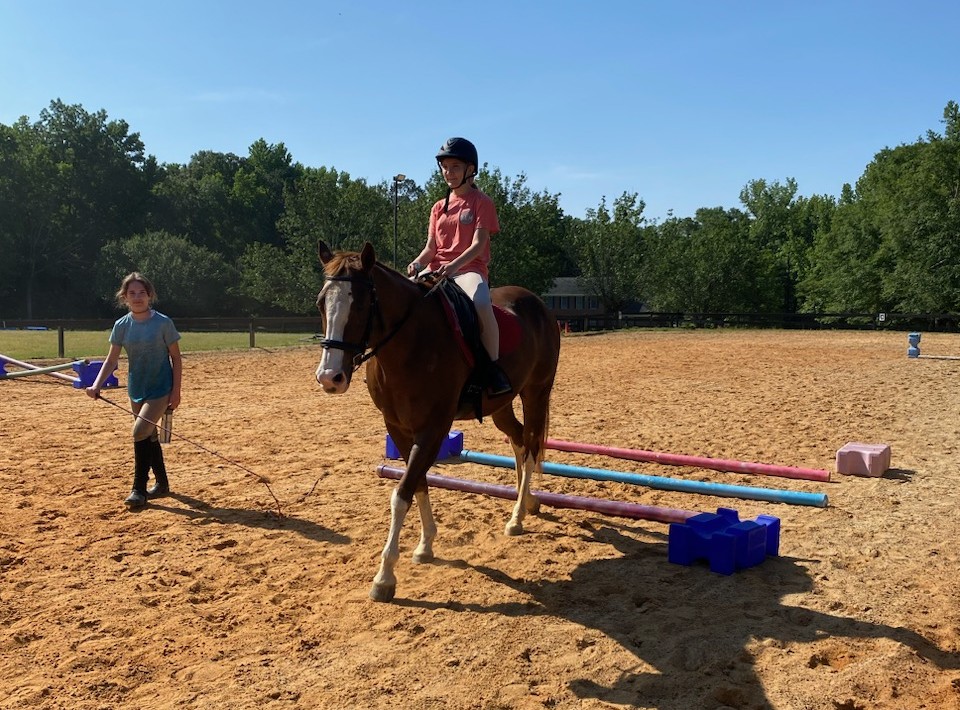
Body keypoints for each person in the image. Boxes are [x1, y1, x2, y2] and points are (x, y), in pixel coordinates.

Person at [407, 137, 512, 396]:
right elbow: (431, 247)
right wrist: (418, 262)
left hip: (468, 270)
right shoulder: (437, 207)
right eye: (444, 167)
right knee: (400, 301)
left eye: (454, 167)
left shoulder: (482, 202)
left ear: (470, 170)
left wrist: (453, 266)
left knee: (482, 304)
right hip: (436, 269)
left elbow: (478, 245)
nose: (448, 173)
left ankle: (493, 369)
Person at [86, 272, 182, 508]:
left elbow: (176, 359)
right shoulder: (121, 325)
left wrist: (176, 391)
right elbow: (111, 360)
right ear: (125, 297)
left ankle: (139, 489)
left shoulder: (163, 323)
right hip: (136, 388)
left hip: (161, 388)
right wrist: (97, 384)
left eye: (142, 292)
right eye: (132, 293)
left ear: (149, 295)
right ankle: (162, 483)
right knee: (149, 435)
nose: (137, 297)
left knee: (139, 431)